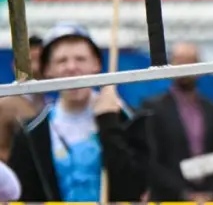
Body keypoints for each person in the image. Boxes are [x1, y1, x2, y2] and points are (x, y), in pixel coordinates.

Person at [6, 24, 148, 202]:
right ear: (48, 69)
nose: (72, 67)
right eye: (62, 61)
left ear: (96, 64)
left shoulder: (127, 120)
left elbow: (137, 186)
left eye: (80, 59)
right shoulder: (32, 132)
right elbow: (23, 195)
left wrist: (108, 123)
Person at [142, 42, 213, 202]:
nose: (185, 68)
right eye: (180, 61)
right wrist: (184, 194)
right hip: (167, 199)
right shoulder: (152, 108)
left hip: (206, 199)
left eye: (191, 61)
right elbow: (150, 159)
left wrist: (211, 192)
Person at [0, 35, 45, 161]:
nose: (36, 67)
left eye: (41, 60)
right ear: (15, 65)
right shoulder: (7, 104)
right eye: (31, 61)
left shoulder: (51, 104)